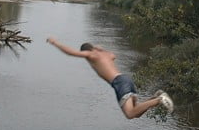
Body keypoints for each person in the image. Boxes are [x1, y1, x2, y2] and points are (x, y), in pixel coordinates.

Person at [46, 37, 174, 119]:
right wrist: (100, 49)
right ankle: (155, 97)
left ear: (86, 52)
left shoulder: (90, 54)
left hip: (119, 83)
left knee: (130, 114)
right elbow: (113, 55)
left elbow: (71, 52)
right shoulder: (104, 54)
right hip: (126, 79)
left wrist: (55, 43)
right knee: (136, 112)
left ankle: (159, 100)